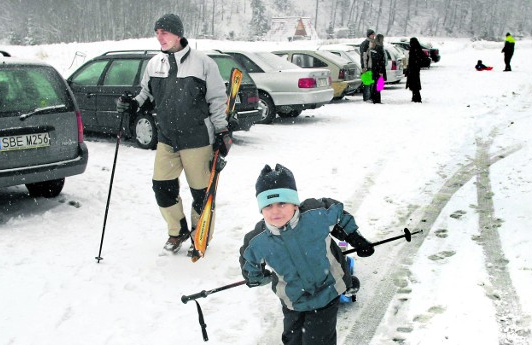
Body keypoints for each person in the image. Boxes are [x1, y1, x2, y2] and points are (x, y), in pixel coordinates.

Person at [117, 13, 232, 254]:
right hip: (167, 138)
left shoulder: (203, 63)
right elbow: (146, 94)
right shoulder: (154, 64)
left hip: (197, 139)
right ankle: (177, 231)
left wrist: (222, 131)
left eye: (165, 32)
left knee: (201, 192)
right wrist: (133, 104)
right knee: (162, 187)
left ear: (177, 34)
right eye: (157, 32)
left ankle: (200, 235)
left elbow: (217, 99)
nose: (160, 37)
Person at [239, 164, 375, 345]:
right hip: (293, 299)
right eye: (268, 206)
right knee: (293, 340)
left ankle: (348, 282)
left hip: (326, 291)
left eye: (282, 203)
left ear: (295, 204)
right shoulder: (258, 241)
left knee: (318, 340)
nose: (275, 211)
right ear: (261, 209)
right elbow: (249, 260)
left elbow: (338, 214)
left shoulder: (315, 215)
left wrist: (355, 238)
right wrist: (254, 277)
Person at [406, 37, 425, 103]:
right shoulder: (418, 49)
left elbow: (412, 60)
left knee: (414, 84)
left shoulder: (413, 49)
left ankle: (416, 97)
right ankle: (415, 97)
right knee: (415, 84)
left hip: (413, 69)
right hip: (415, 69)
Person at [370, 34, 387, 104]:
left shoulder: (374, 47)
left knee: (376, 84)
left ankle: (375, 98)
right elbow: (380, 60)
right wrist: (381, 71)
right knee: (379, 84)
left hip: (374, 68)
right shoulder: (379, 48)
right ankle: (377, 99)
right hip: (379, 69)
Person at [359, 29, 376, 101]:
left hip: (372, 66)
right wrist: (364, 67)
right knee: (367, 84)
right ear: (369, 35)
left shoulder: (372, 42)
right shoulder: (365, 43)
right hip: (367, 67)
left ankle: (371, 97)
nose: (374, 36)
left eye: (374, 34)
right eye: (372, 34)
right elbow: (364, 56)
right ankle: (366, 98)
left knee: (371, 83)